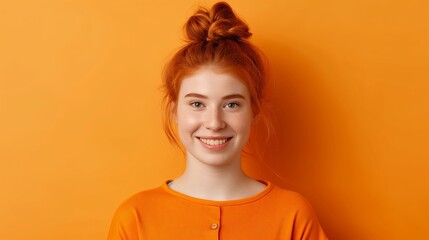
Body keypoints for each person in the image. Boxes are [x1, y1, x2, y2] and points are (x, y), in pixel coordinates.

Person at [107, 2, 328, 239]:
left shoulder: (293, 215)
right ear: (174, 111)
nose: (214, 123)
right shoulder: (134, 217)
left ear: (253, 111)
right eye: (197, 104)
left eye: (231, 104)